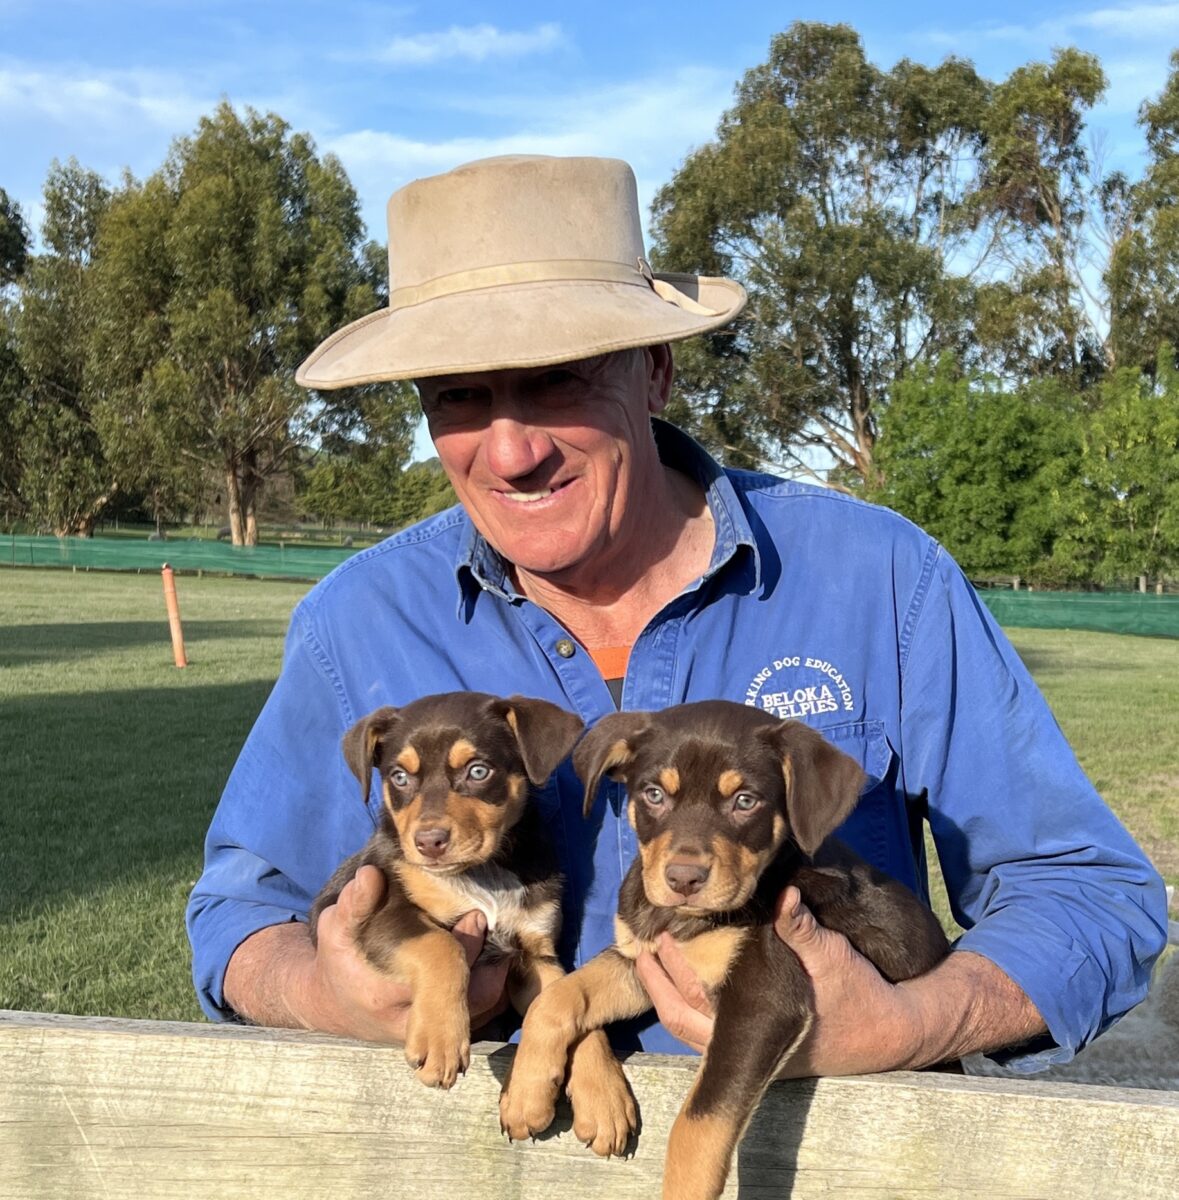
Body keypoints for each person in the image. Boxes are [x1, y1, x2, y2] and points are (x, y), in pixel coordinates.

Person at [186, 154, 1167, 1075]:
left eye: (555, 379)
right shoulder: (357, 624)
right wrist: (325, 988)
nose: (512, 449)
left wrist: (913, 1022)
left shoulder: (879, 580)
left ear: (655, 368)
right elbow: (240, 918)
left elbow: (1088, 893)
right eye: (460, 397)